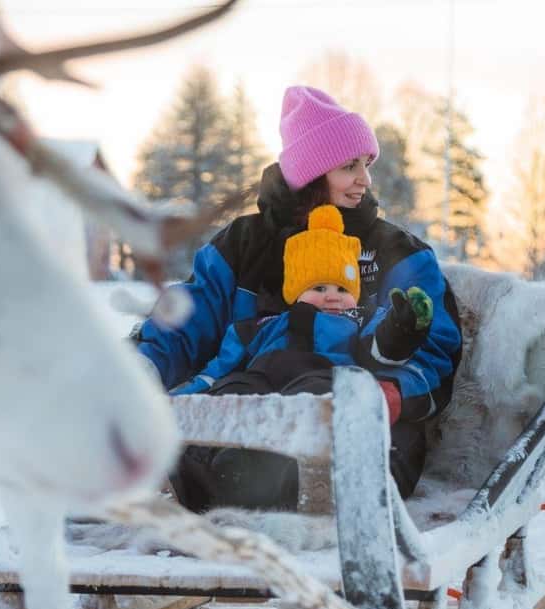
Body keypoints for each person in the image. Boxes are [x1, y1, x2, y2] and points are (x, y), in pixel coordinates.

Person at [134, 85, 462, 510]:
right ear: (311, 174)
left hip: (356, 420)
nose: (364, 179)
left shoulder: (396, 253)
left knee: (325, 407)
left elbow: (433, 344)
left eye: (366, 165)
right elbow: (187, 320)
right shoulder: (244, 243)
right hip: (251, 406)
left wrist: (390, 394)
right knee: (226, 402)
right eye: (349, 166)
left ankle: (300, 480)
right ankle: (210, 474)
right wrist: (140, 376)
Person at [170, 204, 434, 398]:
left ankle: (289, 460)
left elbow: (381, 350)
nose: (332, 296)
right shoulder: (266, 325)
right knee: (232, 390)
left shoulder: (360, 321)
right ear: (295, 293)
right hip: (260, 381)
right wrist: (185, 398)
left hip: (322, 382)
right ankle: (218, 460)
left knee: (317, 395)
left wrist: (401, 329)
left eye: (343, 289)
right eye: (319, 287)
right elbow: (220, 367)